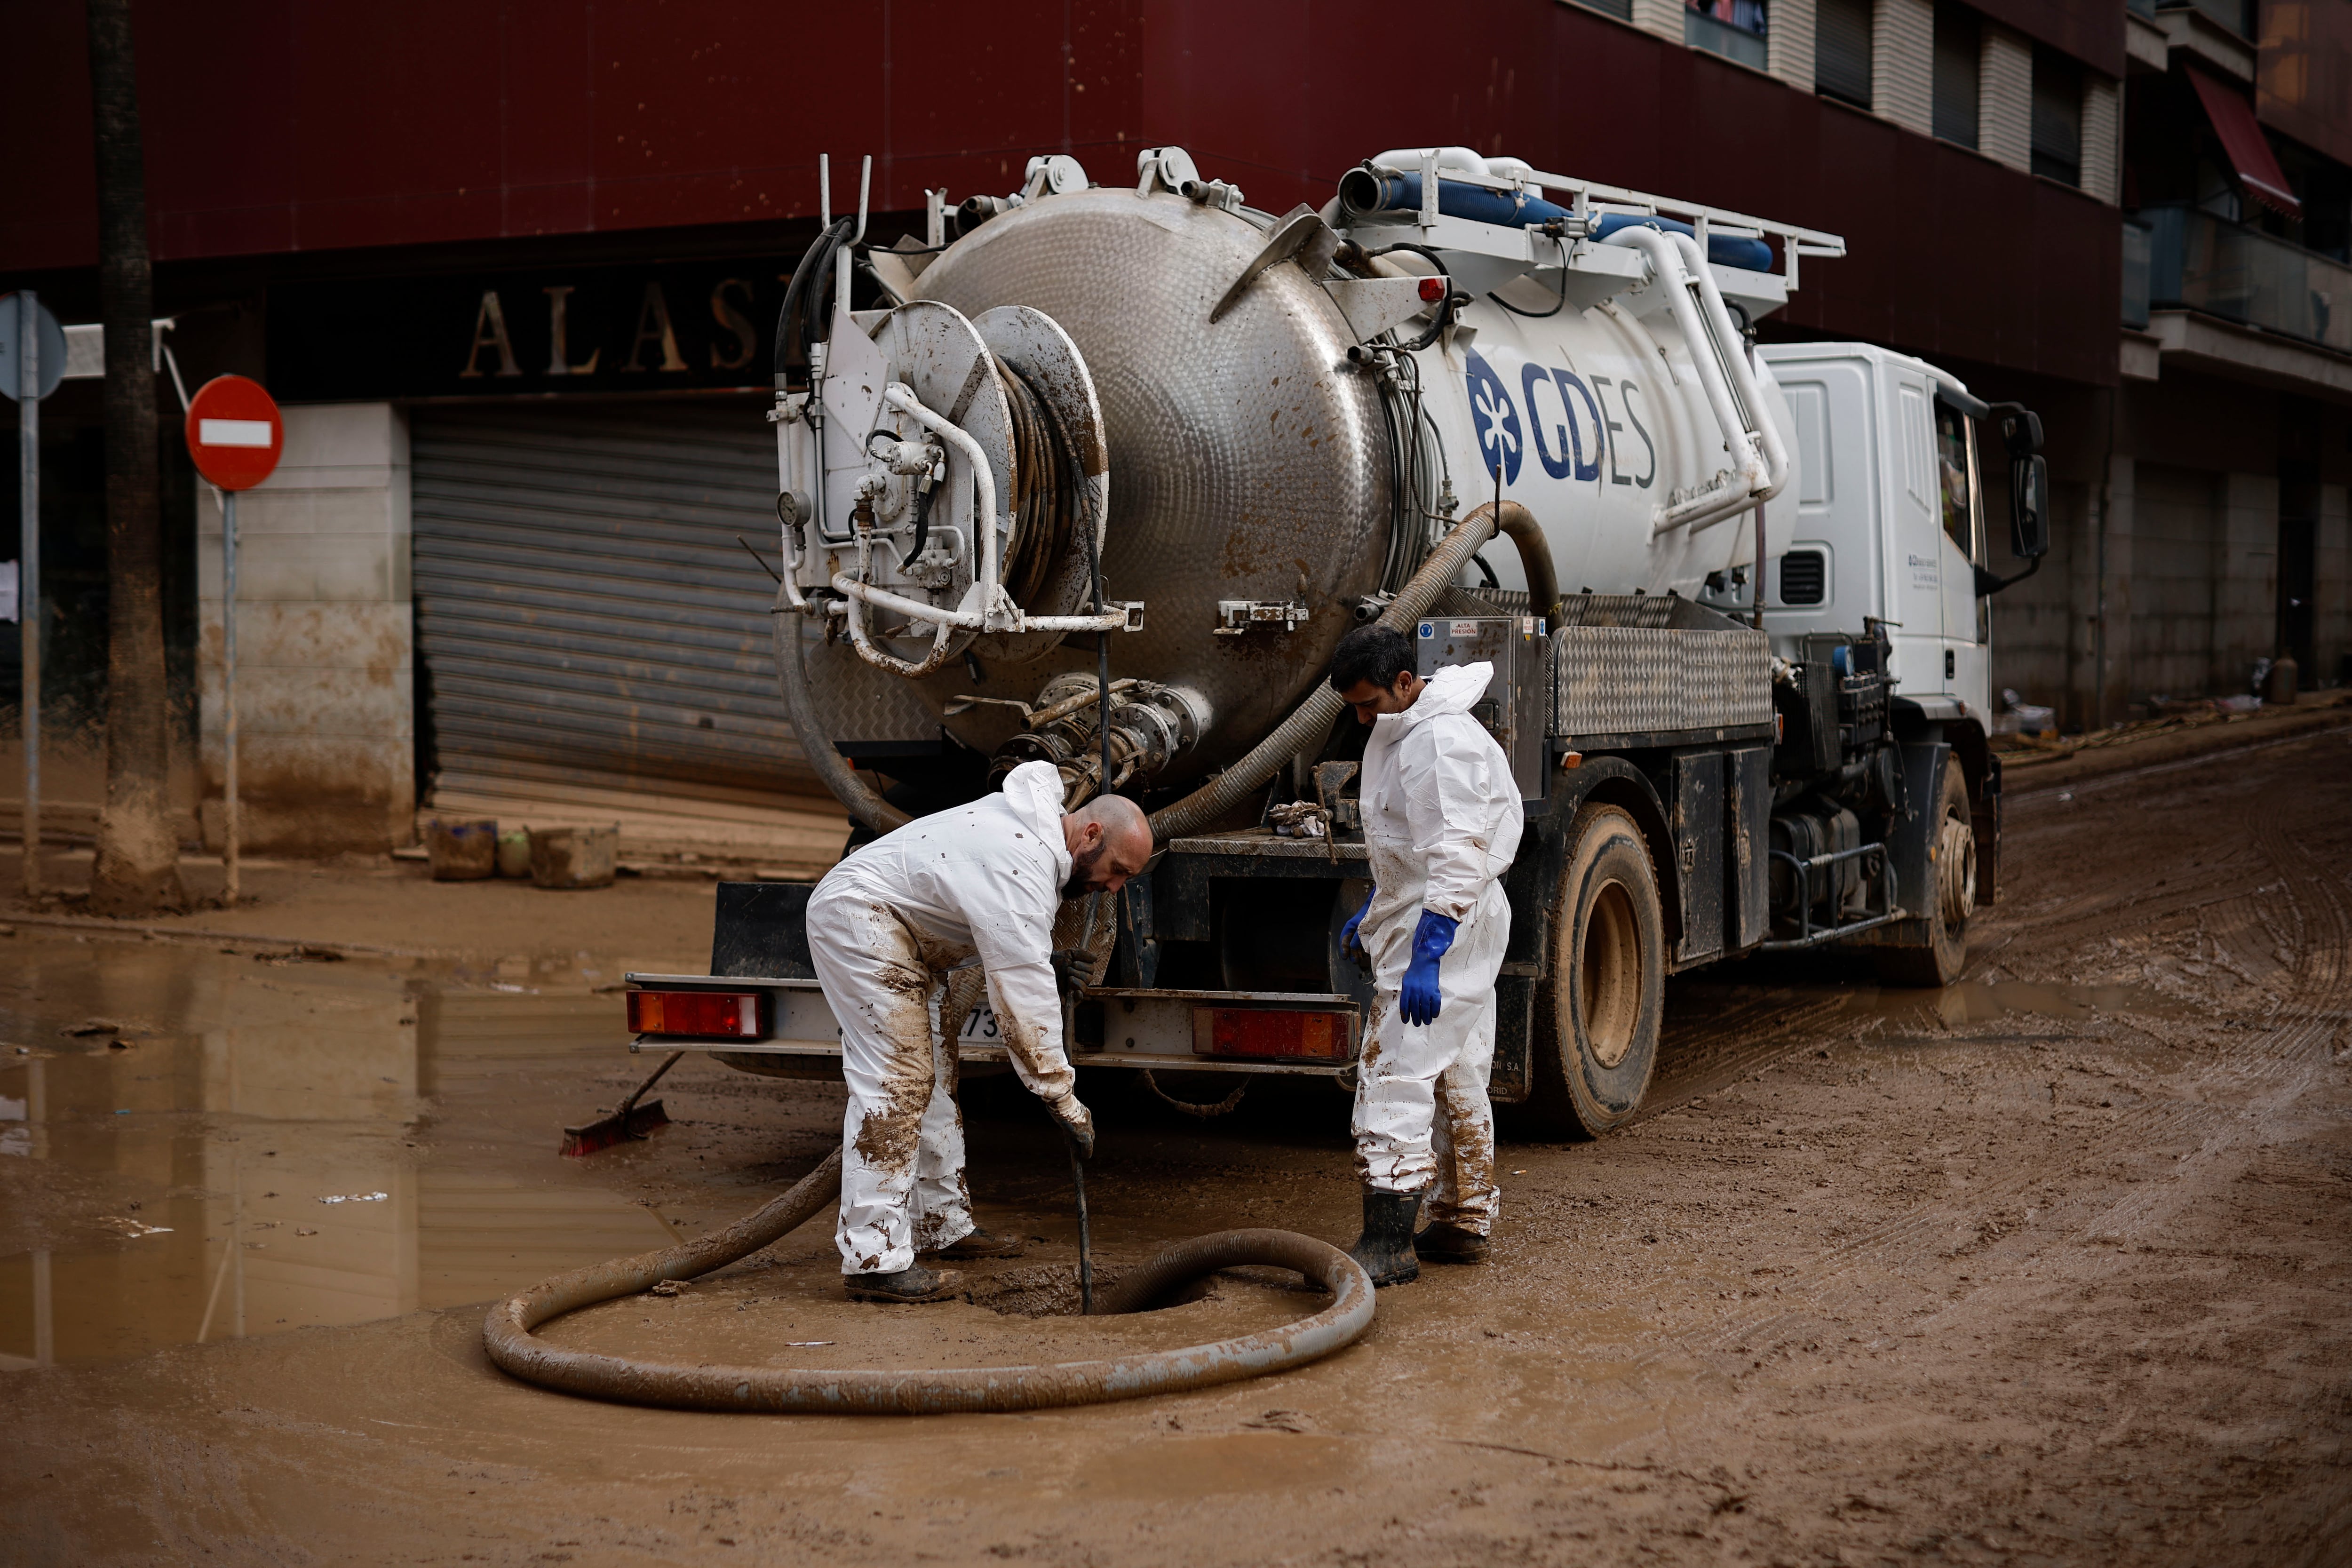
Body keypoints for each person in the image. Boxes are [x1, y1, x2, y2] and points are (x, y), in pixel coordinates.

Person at [805, 762, 1153, 1303]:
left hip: (910, 937)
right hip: (862, 918)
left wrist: (1046, 960)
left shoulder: (1033, 838)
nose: (1114, 887)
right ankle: (874, 1259)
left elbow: (1010, 945)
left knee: (937, 1081)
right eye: (1117, 870)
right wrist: (1063, 1100)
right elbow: (1024, 1003)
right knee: (897, 1082)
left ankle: (941, 1226)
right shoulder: (1022, 861)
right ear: (1089, 833)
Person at [1327, 624, 1523, 1286]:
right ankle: (1464, 1219)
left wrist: (1428, 954)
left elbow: (1458, 856)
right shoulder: (1403, 724)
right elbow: (1410, 844)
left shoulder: (1441, 742)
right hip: (1429, 911)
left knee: (1395, 1075)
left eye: (1369, 704)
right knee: (1457, 1069)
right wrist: (1377, 908)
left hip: (1448, 922)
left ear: (1406, 682)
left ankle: (1388, 1243)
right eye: (1352, 706)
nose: (1360, 718)